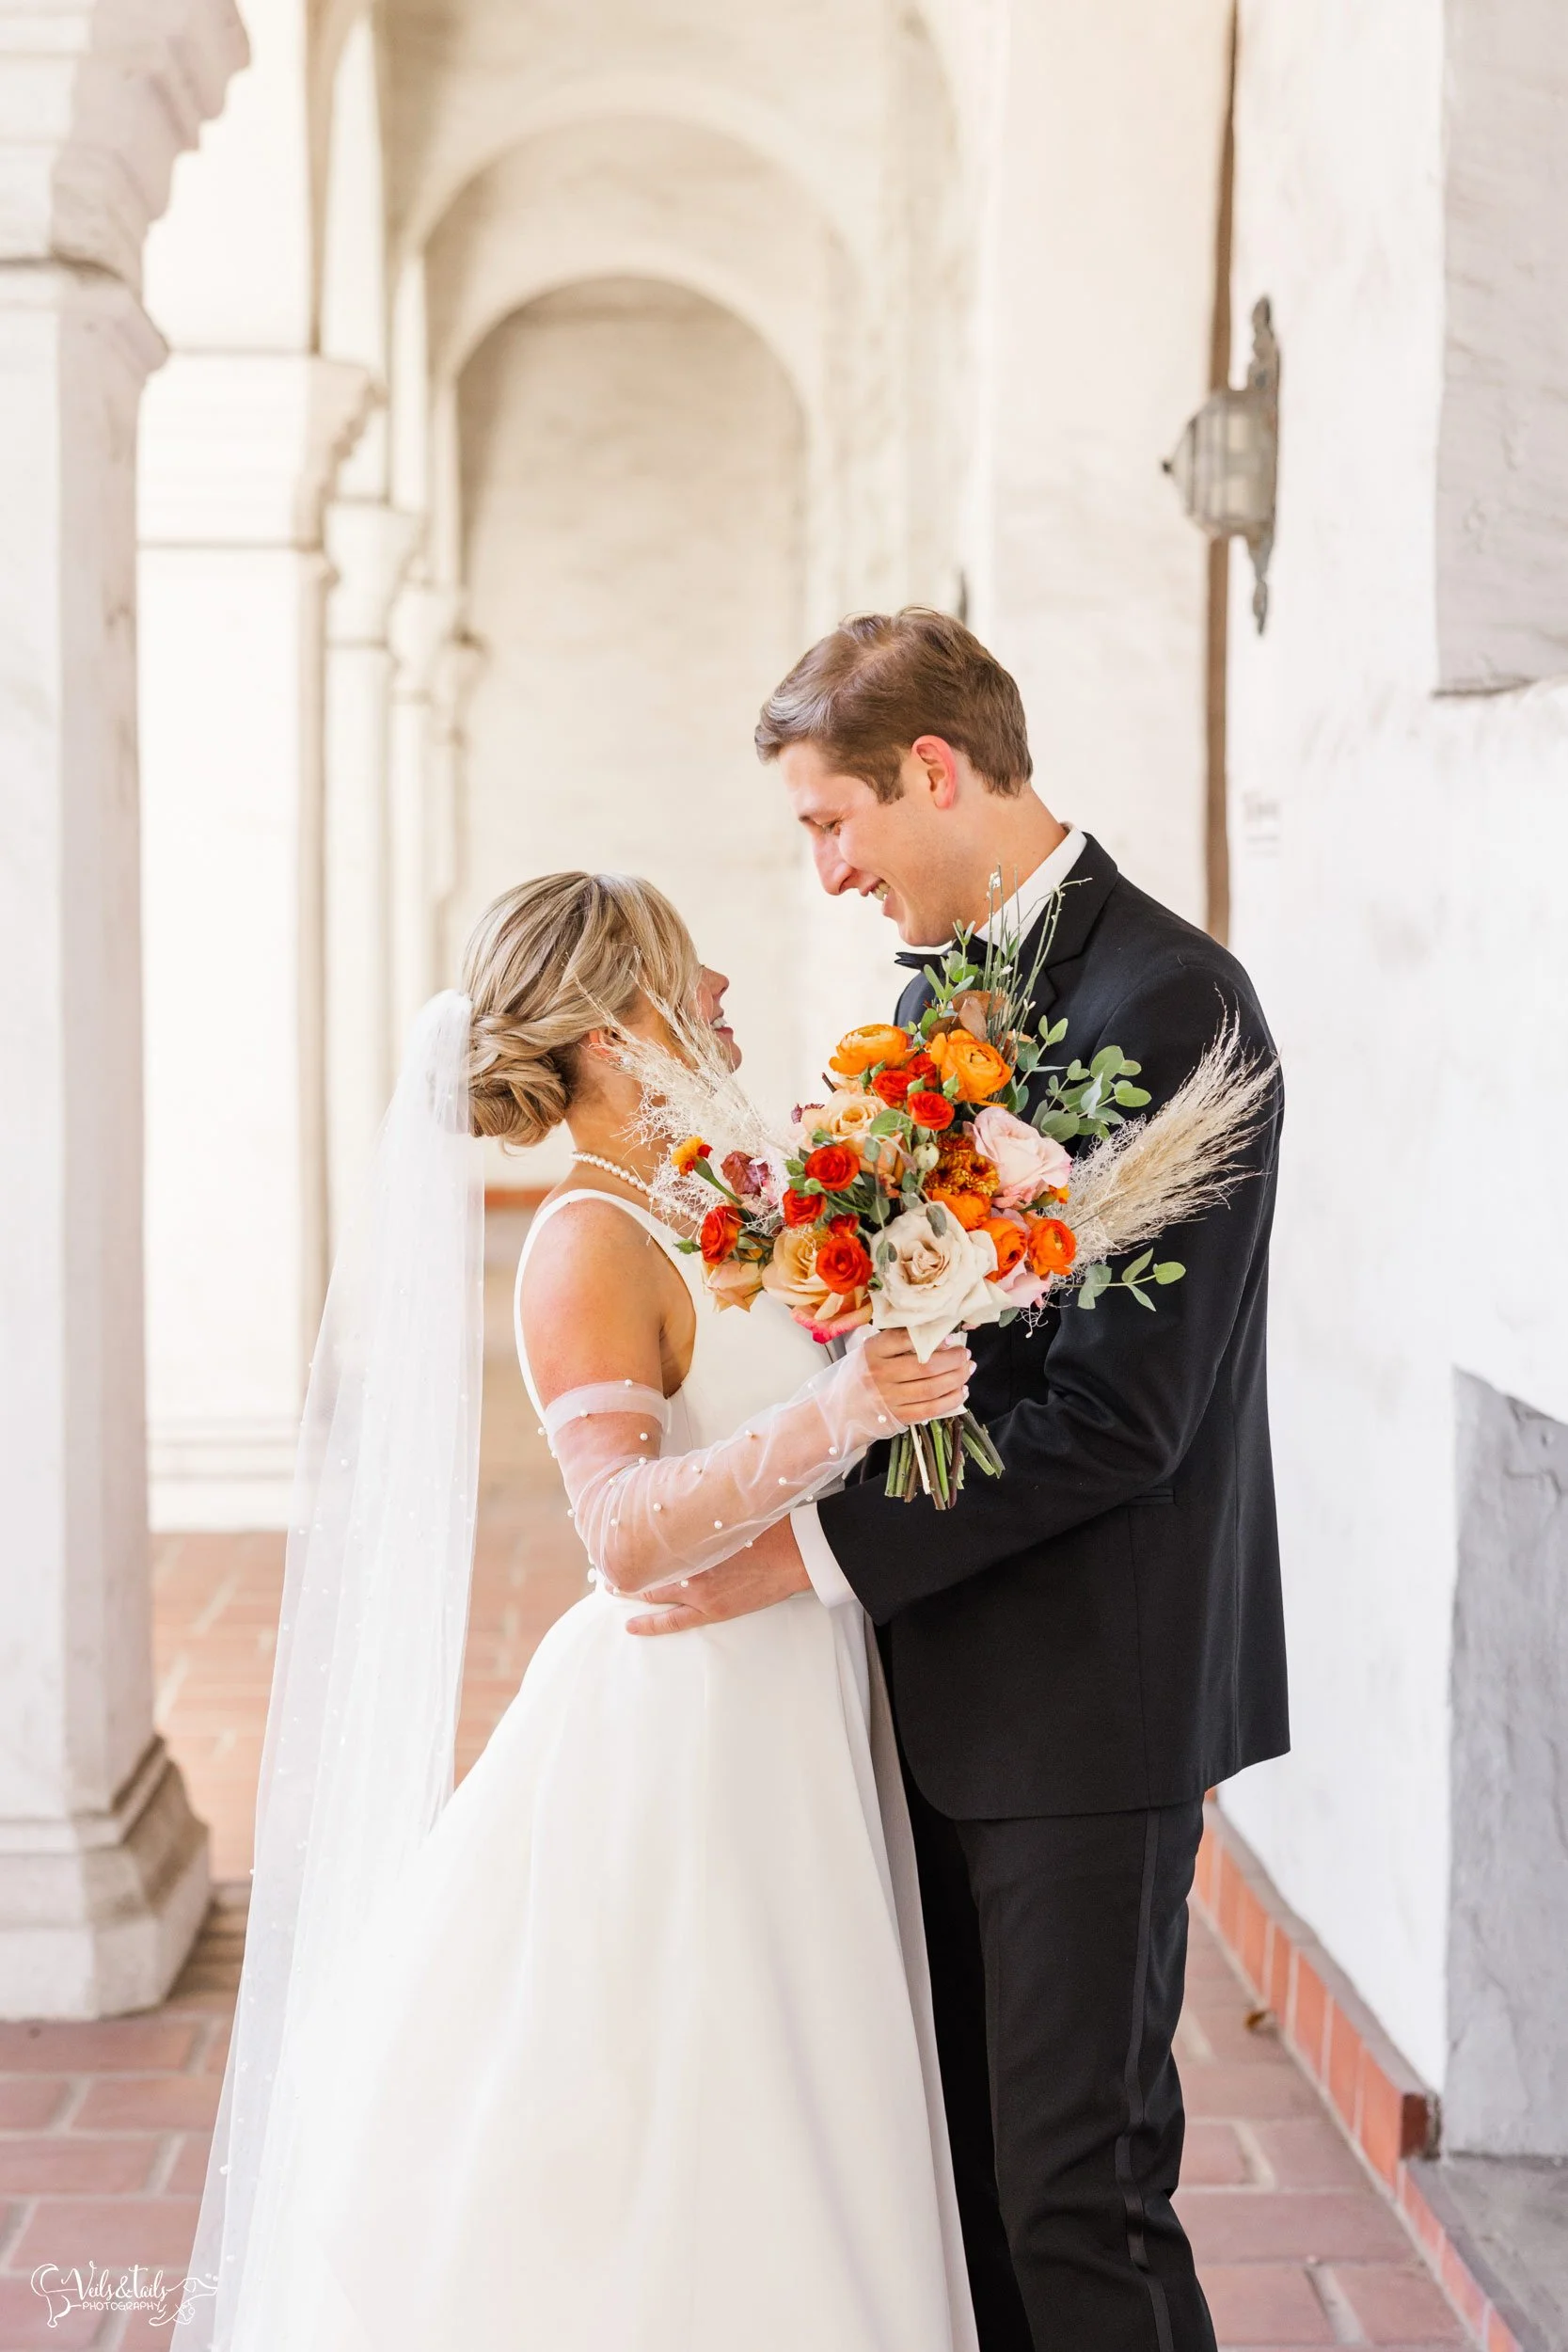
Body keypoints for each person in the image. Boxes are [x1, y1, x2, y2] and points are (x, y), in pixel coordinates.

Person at [177, 872, 981, 2352]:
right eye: (689, 971)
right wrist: (843, 1410)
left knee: (803, 2099)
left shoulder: (701, 1202)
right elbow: (620, 1535)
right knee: (715, 2122)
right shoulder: (587, 1244)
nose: (722, 990)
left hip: (790, 1684)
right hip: (701, 1719)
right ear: (615, 1032)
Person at [631, 611, 1289, 2352]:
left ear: (931, 771)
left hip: (1086, 1692)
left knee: (1077, 2193)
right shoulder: (940, 996)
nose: (830, 874)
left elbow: (1122, 1418)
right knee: (962, 2184)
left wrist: (804, 1556)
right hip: (935, 1672)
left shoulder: (1169, 1003)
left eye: (829, 823)